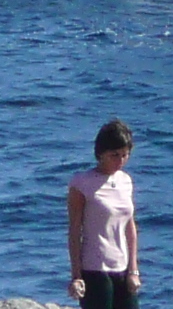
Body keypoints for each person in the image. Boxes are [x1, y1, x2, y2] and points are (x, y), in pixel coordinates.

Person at [66, 120, 142, 309]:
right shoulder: (82, 183)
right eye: (114, 155)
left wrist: (134, 270)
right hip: (94, 268)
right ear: (101, 153)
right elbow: (75, 231)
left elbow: (129, 227)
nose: (121, 161)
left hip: (122, 268)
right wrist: (76, 275)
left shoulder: (125, 181)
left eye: (125, 155)